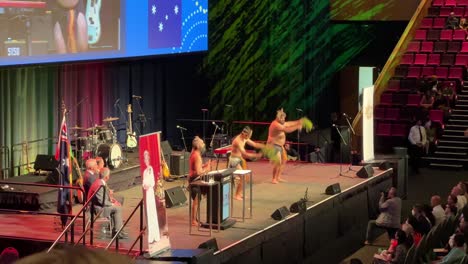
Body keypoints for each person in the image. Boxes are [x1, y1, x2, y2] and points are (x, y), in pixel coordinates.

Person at [267, 108, 311, 184]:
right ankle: (274, 179)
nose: (284, 120)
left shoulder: (280, 122)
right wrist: (297, 126)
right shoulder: (275, 124)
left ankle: (278, 177)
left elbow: (289, 124)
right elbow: (287, 130)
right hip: (273, 145)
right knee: (278, 162)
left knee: (284, 159)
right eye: (283, 118)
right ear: (279, 118)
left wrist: (299, 121)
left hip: (280, 145)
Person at [87, 168, 127, 239]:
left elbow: (104, 197)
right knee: (117, 208)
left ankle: (117, 228)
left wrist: (112, 200)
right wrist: (112, 203)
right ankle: (118, 232)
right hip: (97, 209)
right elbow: (102, 201)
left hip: (99, 204)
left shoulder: (100, 182)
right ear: (107, 177)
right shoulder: (99, 184)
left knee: (119, 200)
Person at [229, 126, 264, 200]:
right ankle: (237, 195)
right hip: (234, 160)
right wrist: (256, 155)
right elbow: (245, 154)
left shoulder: (245, 137)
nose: (249, 137)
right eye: (249, 135)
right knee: (243, 177)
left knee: (244, 177)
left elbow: (254, 144)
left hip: (239, 159)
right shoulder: (237, 141)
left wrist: (264, 146)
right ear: (244, 134)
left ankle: (239, 193)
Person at [188, 136, 211, 226]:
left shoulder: (194, 153)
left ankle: (195, 219)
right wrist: (207, 169)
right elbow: (198, 172)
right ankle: (193, 220)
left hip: (193, 179)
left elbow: (196, 168)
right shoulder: (196, 155)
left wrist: (204, 166)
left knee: (197, 200)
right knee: (196, 200)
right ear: (198, 146)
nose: (204, 144)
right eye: (202, 143)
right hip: (195, 180)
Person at [142, 150, 161, 245]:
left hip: (150, 193)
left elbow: (152, 182)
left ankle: (156, 235)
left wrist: (148, 185)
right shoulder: (145, 171)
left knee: (153, 213)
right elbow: (144, 182)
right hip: (147, 192)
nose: (145, 160)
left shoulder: (150, 169)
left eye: (146, 158)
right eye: (144, 159)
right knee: (149, 214)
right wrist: (144, 185)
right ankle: (151, 236)